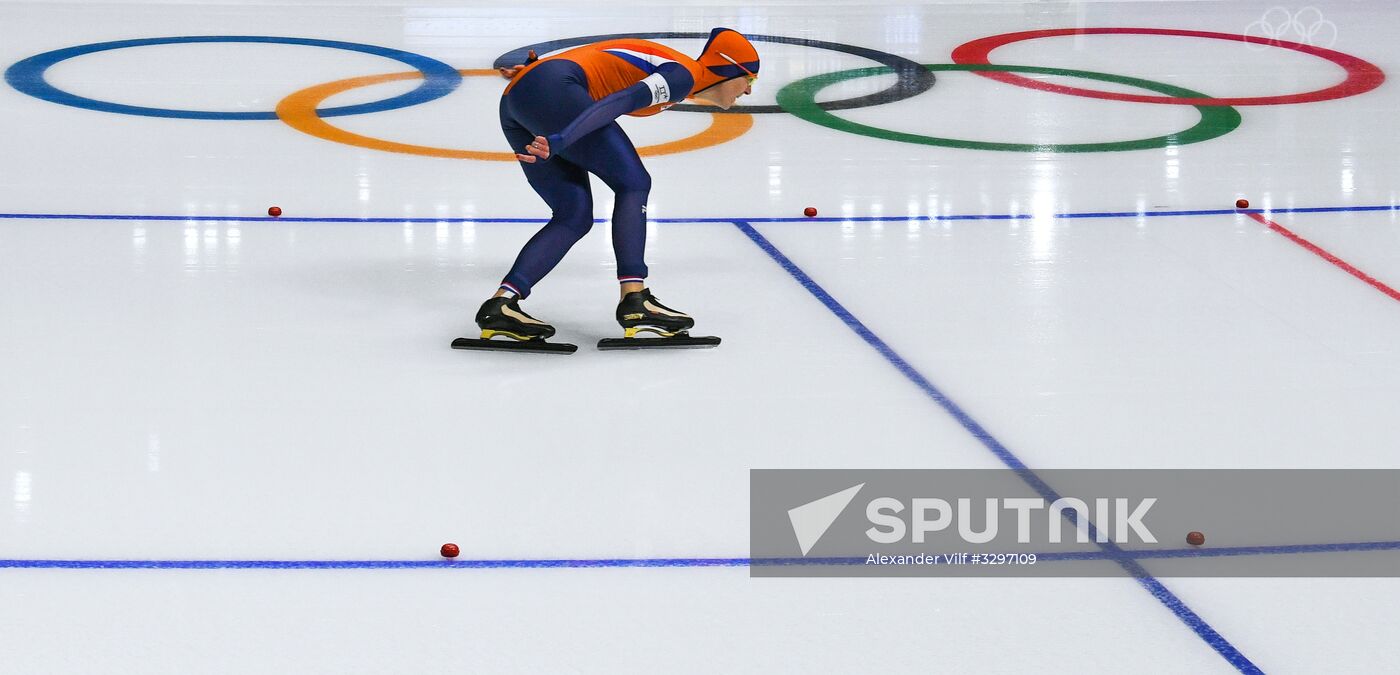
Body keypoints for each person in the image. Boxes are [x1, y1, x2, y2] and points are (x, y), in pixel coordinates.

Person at [474, 28, 759, 343]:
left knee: (574, 215)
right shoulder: (683, 75)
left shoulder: (683, 77)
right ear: (728, 69)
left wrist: (537, 83)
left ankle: (502, 304)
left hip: (522, 97)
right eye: (750, 80)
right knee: (634, 183)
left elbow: (600, 69)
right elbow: (621, 100)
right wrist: (562, 138)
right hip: (550, 90)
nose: (748, 91)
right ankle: (635, 300)